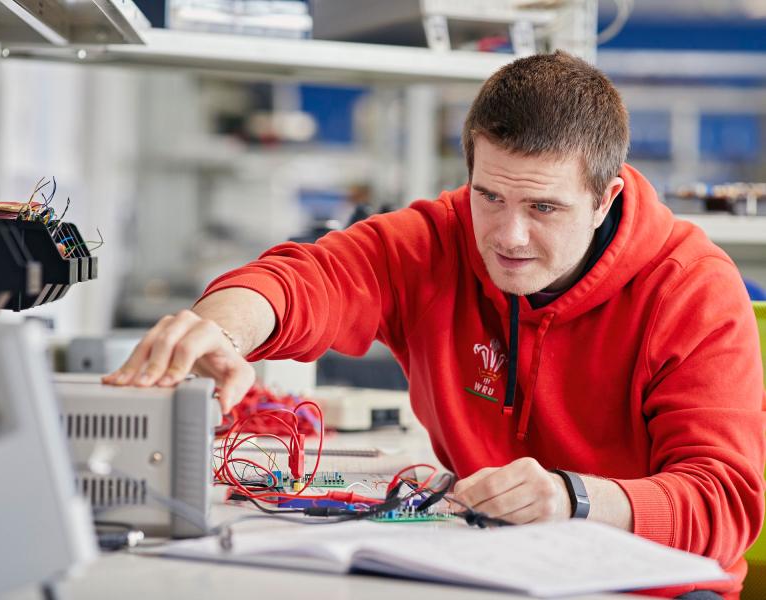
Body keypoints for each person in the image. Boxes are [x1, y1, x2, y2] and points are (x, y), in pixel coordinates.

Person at [103, 51, 765, 599]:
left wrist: (577, 499)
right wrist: (219, 327)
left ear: (604, 200)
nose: (509, 236)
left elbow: (725, 507)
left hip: (650, 589)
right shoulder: (437, 240)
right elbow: (311, 278)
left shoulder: (692, 289)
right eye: (490, 197)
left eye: (543, 207)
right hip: (490, 570)